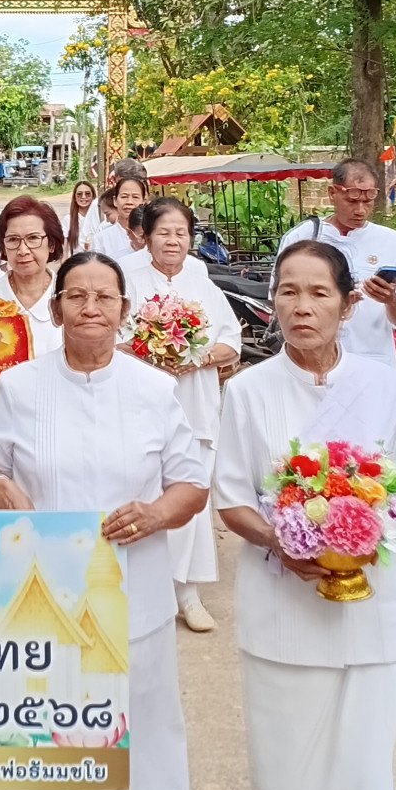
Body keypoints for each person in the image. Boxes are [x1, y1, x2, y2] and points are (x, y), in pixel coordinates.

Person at [0, 252, 209, 790]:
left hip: (129, 592)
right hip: (41, 593)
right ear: (56, 309)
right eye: (76, 296)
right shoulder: (19, 386)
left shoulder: (152, 390)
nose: (90, 309)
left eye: (104, 297)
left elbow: (189, 483)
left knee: (113, 728)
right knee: (41, 731)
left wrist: (157, 515)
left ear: (124, 311)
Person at [214, 240, 396, 790]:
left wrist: (363, 531)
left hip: (373, 611)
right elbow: (231, 500)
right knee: (286, 767)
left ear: (346, 303)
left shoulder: (384, 389)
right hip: (281, 610)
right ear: (271, 301)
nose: (301, 307)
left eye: (318, 293)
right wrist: (289, 542)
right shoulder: (246, 391)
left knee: (359, 772)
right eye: (287, 292)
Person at [122, 197, 242, 634]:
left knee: (191, 495)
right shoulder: (129, 278)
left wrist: (197, 357)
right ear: (145, 236)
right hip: (141, 404)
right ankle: (140, 589)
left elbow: (232, 341)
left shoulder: (201, 277)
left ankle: (187, 592)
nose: (173, 241)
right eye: (164, 232)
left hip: (195, 403)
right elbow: (113, 340)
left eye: (182, 233)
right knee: (146, 491)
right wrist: (151, 351)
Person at [276, 159, 396, 359]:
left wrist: (391, 300)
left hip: (372, 360)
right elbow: (281, 302)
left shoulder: (390, 241)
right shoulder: (302, 238)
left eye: (367, 202)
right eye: (351, 201)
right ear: (333, 193)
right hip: (312, 360)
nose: (360, 210)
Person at [0, 197, 65, 373]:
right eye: (13, 240)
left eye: (33, 238)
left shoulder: (69, 295)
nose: (23, 250)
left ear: (51, 244)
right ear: (3, 247)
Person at [89, 174, 148, 263]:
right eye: (124, 197)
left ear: (143, 201)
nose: (129, 202)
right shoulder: (101, 239)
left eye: (135, 197)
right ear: (115, 201)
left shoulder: (152, 235)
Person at [66, 179, 99, 250]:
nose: (83, 197)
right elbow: (64, 248)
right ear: (74, 197)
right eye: (79, 194)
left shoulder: (99, 218)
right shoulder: (68, 219)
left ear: (93, 197)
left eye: (87, 194)